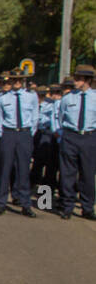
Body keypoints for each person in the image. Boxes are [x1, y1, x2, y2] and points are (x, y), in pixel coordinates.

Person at [0, 69, 38, 216]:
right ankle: (1, 203)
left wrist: (29, 133)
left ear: (23, 81)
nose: (17, 82)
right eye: (14, 80)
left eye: (19, 80)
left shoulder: (31, 96)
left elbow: (35, 116)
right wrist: (3, 134)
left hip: (24, 133)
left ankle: (25, 204)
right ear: (10, 81)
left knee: (23, 170)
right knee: (5, 169)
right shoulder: (2, 98)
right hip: (8, 133)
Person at [57, 64, 96, 220]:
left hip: (89, 136)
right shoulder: (67, 98)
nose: (75, 81)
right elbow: (61, 118)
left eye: (79, 79)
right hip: (70, 136)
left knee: (87, 174)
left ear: (87, 80)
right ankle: (67, 206)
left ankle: (87, 208)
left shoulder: (95, 97)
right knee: (68, 173)